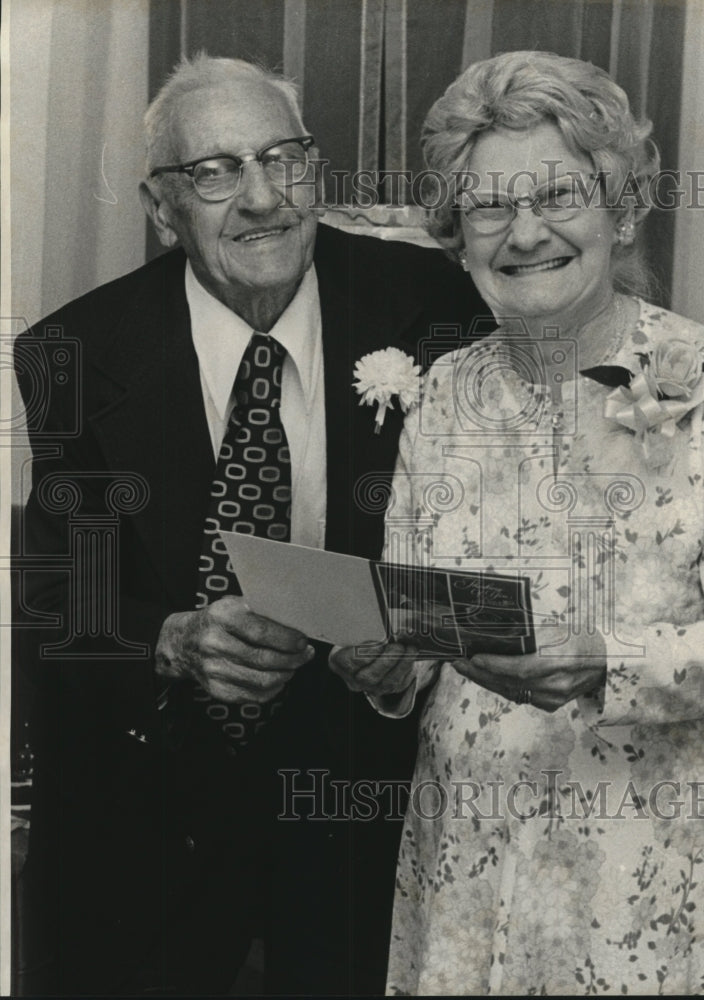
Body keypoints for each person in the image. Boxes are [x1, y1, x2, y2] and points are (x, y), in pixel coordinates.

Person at [13, 54, 487, 996]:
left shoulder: (432, 302)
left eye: (284, 159)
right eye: (216, 171)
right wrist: (167, 638)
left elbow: (561, 454)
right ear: (161, 208)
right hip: (151, 829)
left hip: (363, 815)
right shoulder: (75, 353)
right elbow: (60, 593)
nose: (264, 198)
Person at [331, 50, 704, 995]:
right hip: (472, 863)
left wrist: (608, 664)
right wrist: (385, 667)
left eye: (557, 196)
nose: (524, 231)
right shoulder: (444, 393)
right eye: (490, 206)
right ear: (458, 236)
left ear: (620, 212)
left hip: (664, 875)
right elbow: (421, 616)